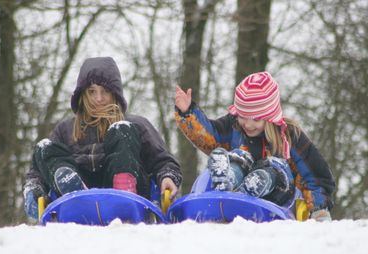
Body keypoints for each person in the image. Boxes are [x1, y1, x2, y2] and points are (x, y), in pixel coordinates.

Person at [23, 57, 182, 220]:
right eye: (92, 91)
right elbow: (38, 170)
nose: (98, 98)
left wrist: (168, 176)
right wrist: (34, 189)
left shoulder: (136, 124)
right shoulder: (65, 130)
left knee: (122, 130)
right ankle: (74, 192)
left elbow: (163, 160)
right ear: (83, 94)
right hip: (80, 191)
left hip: (125, 190)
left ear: (115, 93)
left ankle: (123, 193)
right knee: (44, 148)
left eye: (105, 91)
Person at [175, 71, 335, 221]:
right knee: (238, 158)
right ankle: (227, 179)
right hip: (237, 195)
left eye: (256, 119)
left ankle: (260, 181)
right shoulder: (234, 126)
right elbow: (210, 136)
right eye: (243, 117)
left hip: (276, 200)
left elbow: (315, 176)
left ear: (270, 116)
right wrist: (188, 113)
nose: (248, 124)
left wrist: (319, 209)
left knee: (276, 168)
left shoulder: (289, 136)